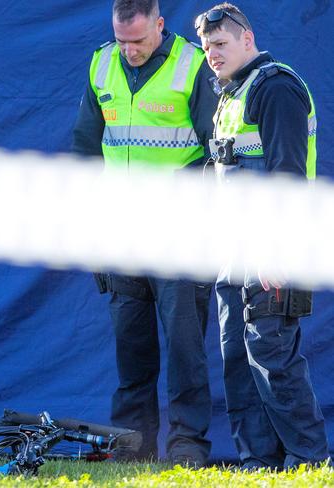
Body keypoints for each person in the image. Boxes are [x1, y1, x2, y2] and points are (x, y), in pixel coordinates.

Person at [72, 0, 218, 465]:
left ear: (160, 24)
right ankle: (131, 451)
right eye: (122, 41)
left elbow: (218, 152)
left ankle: (187, 449)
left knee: (184, 350)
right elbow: (85, 148)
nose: (129, 51)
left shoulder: (192, 66)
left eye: (138, 41)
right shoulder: (100, 64)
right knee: (131, 350)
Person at [195, 3, 329, 469]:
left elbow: (287, 175)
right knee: (238, 360)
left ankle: (310, 461)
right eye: (207, 46)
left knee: (273, 358)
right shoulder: (231, 94)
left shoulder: (275, 88)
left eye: (221, 44)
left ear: (247, 40)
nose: (212, 53)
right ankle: (258, 464)